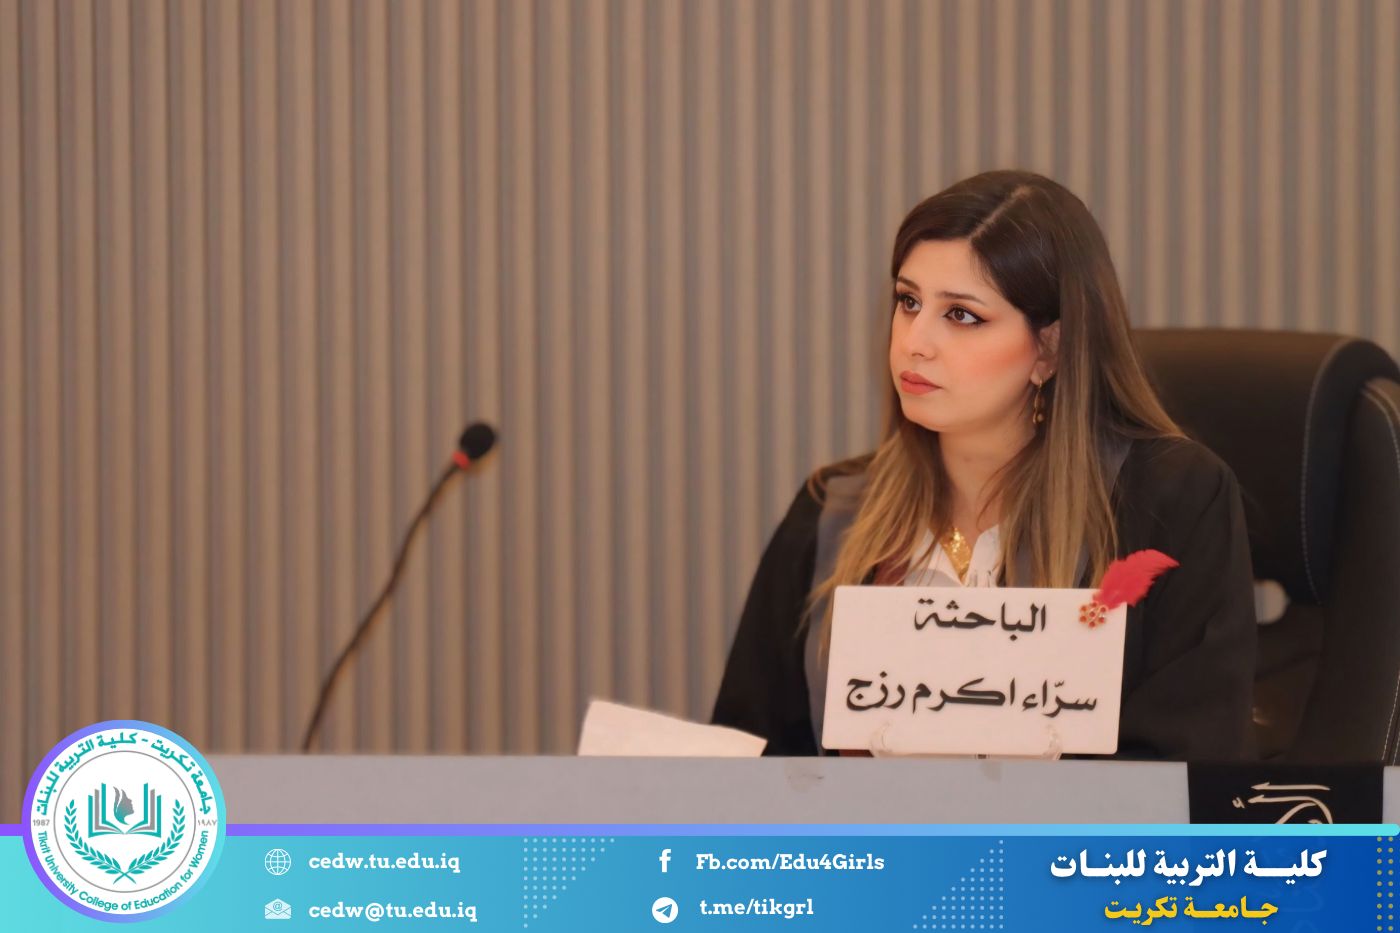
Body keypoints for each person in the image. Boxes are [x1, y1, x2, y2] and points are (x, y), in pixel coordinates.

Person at [711, 170, 1257, 760]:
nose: (914, 341)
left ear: (1049, 349)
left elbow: (1187, 772)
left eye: (961, 315)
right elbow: (750, 758)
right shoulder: (832, 513)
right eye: (909, 302)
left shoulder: (1170, 502)